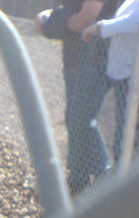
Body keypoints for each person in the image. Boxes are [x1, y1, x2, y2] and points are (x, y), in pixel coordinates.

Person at [36, 1, 120, 195]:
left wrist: (50, 22)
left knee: (81, 118)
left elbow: (86, 19)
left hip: (93, 57)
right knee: (72, 117)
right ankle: (78, 177)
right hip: (77, 58)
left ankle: (104, 176)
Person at [82, 0, 139, 163]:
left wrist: (100, 27)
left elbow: (133, 23)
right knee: (123, 134)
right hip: (122, 73)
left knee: (128, 135)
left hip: (133, 77)